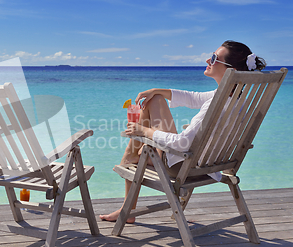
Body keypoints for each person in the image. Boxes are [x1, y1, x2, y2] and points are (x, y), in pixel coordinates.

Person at [100, 40, 266, 223]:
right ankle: (132, 161)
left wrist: (143, 131)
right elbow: (194, 98)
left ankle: (128, 192)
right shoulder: (237, 99)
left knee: (143, 136)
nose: (207, 60)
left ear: (230, 71)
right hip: (212, 165)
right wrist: (157, 90)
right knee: (155, 99)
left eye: (213, 58)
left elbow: (182, 144)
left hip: (185, 167)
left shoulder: (216, 103)